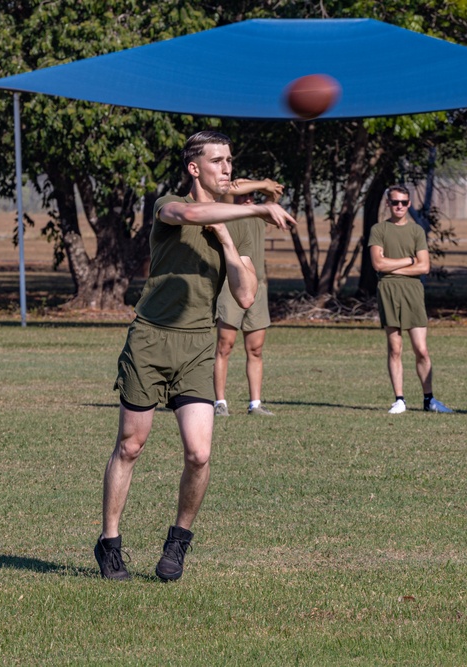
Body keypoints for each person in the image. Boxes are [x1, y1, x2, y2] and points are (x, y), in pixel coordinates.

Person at [94, 131, 296, 581]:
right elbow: (188, 212)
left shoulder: (236, 222)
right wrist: (260, 205)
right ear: (194, 168)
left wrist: (226, 238)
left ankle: (177, 544)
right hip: (150, 339)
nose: (227, 169)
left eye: (230, 160)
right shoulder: (168, 204)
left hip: (197, 346)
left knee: (199, 454)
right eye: (218, 161)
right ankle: (109, 543)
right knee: (131, 445)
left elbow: (245, 296)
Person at [368, 185, 452, 414]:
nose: (399, 206)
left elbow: (424, 266)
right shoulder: (379, 229)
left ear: (408, 203)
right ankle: (399, 399)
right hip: (387, 290)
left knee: (421, 349)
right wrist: (408, 261)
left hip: (413, 293)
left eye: (404, 202)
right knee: (395, 347)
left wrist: (394, 266)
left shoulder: (416, 231)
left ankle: (429, 399)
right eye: (395, 202)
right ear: (388, 203)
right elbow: (378, 264)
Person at [213, 178, 285, 418]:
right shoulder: (226, 211)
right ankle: (220, 402)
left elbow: (275, 194)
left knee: (255, 349)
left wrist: (263, 187)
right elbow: (230, 190)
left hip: (259, 287)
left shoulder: (259, 215)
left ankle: (255, 403)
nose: (248, 199)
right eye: (245, 194)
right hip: (230, 285)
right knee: (225, 346)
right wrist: (261, 183)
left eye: (252, 196)